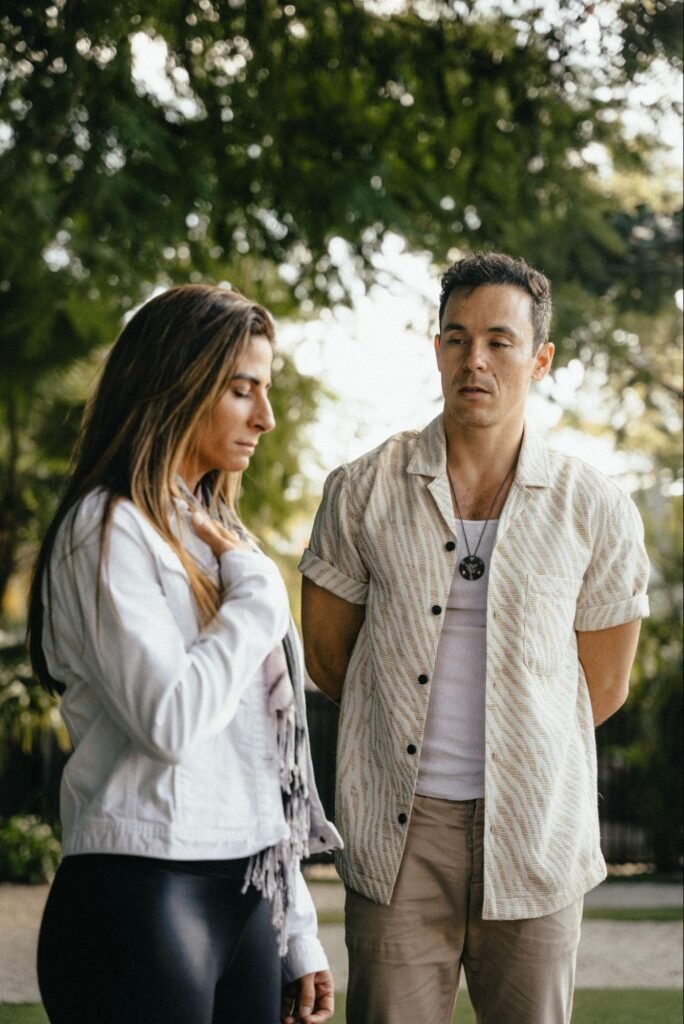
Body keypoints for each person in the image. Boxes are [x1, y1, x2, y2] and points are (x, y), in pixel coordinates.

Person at [299, 251, 650, 1024]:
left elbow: (602, 685)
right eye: (456, 339)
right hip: (397, 836)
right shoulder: (361, 490)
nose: (475, 360)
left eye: (499, 341)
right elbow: (328, 661)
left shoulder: (594, 507)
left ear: (541, 359)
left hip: (536, 832)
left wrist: (519, 751)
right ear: (437, 350)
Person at [28, 284, 340, 1024]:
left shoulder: (220, 538)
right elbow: (169, 721)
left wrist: (297, 931)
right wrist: (256, 597)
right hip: (141, 890)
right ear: (177, 385)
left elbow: (261, 754)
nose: (265, 417)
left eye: (264, 390)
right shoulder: (106, 528)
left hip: (249, 897)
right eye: (242, 390)